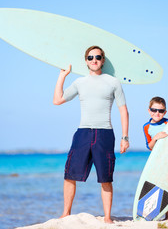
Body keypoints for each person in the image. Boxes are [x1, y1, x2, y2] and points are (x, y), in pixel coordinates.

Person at [53, 45, 129, 224]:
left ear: (103, 60)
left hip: (105, 134)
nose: (94, 60)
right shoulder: (80, 82)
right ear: (86, 61)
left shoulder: (113, 82)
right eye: (90, 57)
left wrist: (125, 137)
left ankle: (108, 217)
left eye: (97, 57)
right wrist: (62, 76)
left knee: (106, 177)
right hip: (83, 133)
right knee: (70, 174)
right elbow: (57, 100)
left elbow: (123, 111)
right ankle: (66, 213)